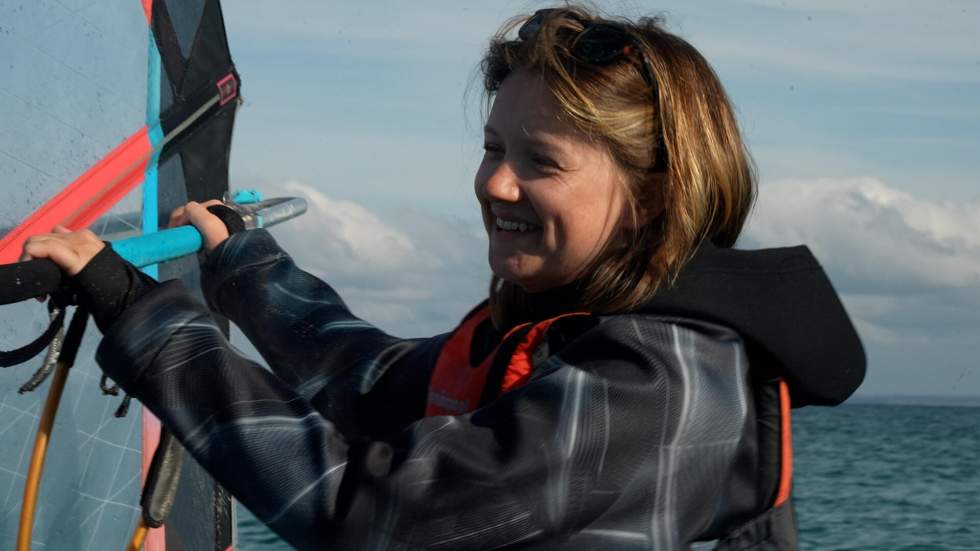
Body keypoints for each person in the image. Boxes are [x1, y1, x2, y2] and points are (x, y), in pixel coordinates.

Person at [20, 6, 864, 550]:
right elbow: (372, 379)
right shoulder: (565, 331)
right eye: (495, 147)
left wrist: (143, 312)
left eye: (542, 161)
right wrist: (242, 261)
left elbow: (371, 510)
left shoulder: (656, 380)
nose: (496, 184)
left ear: (651, 197)